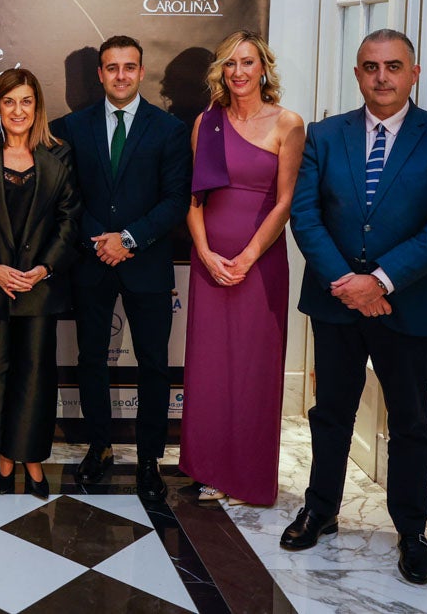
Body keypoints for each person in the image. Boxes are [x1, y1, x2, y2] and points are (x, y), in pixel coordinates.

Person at [282, 29, 427, 587]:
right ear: (358, 73)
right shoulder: (324, 134)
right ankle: (320, 508)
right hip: (337, 301)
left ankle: (411, 531)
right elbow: (307, 215)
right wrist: (348, 282)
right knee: (330, 412)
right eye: (370, 67)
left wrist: (381, 282)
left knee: (410, 421)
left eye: (393, 66)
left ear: (414, 73)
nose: (381, 77)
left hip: (411, 307)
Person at [51, 35, 192, 499]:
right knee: (91, 358)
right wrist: (101, 241)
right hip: (91, 263)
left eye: (129, 67)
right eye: (112, 67)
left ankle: (149, 458)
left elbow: (175, 200)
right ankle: (100, 447)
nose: (120, 75)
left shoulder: (168, 129)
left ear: (142, 71)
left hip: (146, 263)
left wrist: (128, 239)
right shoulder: (72, 127)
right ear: (99, 73)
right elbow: (67, 196)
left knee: (153, 363)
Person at [178, 31, 304, 505]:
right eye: (230, 64)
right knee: (210, 367)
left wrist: (248, 257)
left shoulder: (288, 123)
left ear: (263, 68)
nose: (238, 72)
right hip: (209, 260)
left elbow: (285, 201)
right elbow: (194, 200)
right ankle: (208, 468)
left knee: (254, 366)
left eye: (247, 63)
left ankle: (249, 476)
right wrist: (207, 255)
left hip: (260, 261)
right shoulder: (206, 122)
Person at [0, 69, 81, 498]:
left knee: (36, 376)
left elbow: (69, 222)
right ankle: (6, 457)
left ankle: (33, 459)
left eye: (26, 101)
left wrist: (44, 268)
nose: (18, 110)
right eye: (9, 102)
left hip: (39, 287)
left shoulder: (59, 155)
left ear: (37, 107)